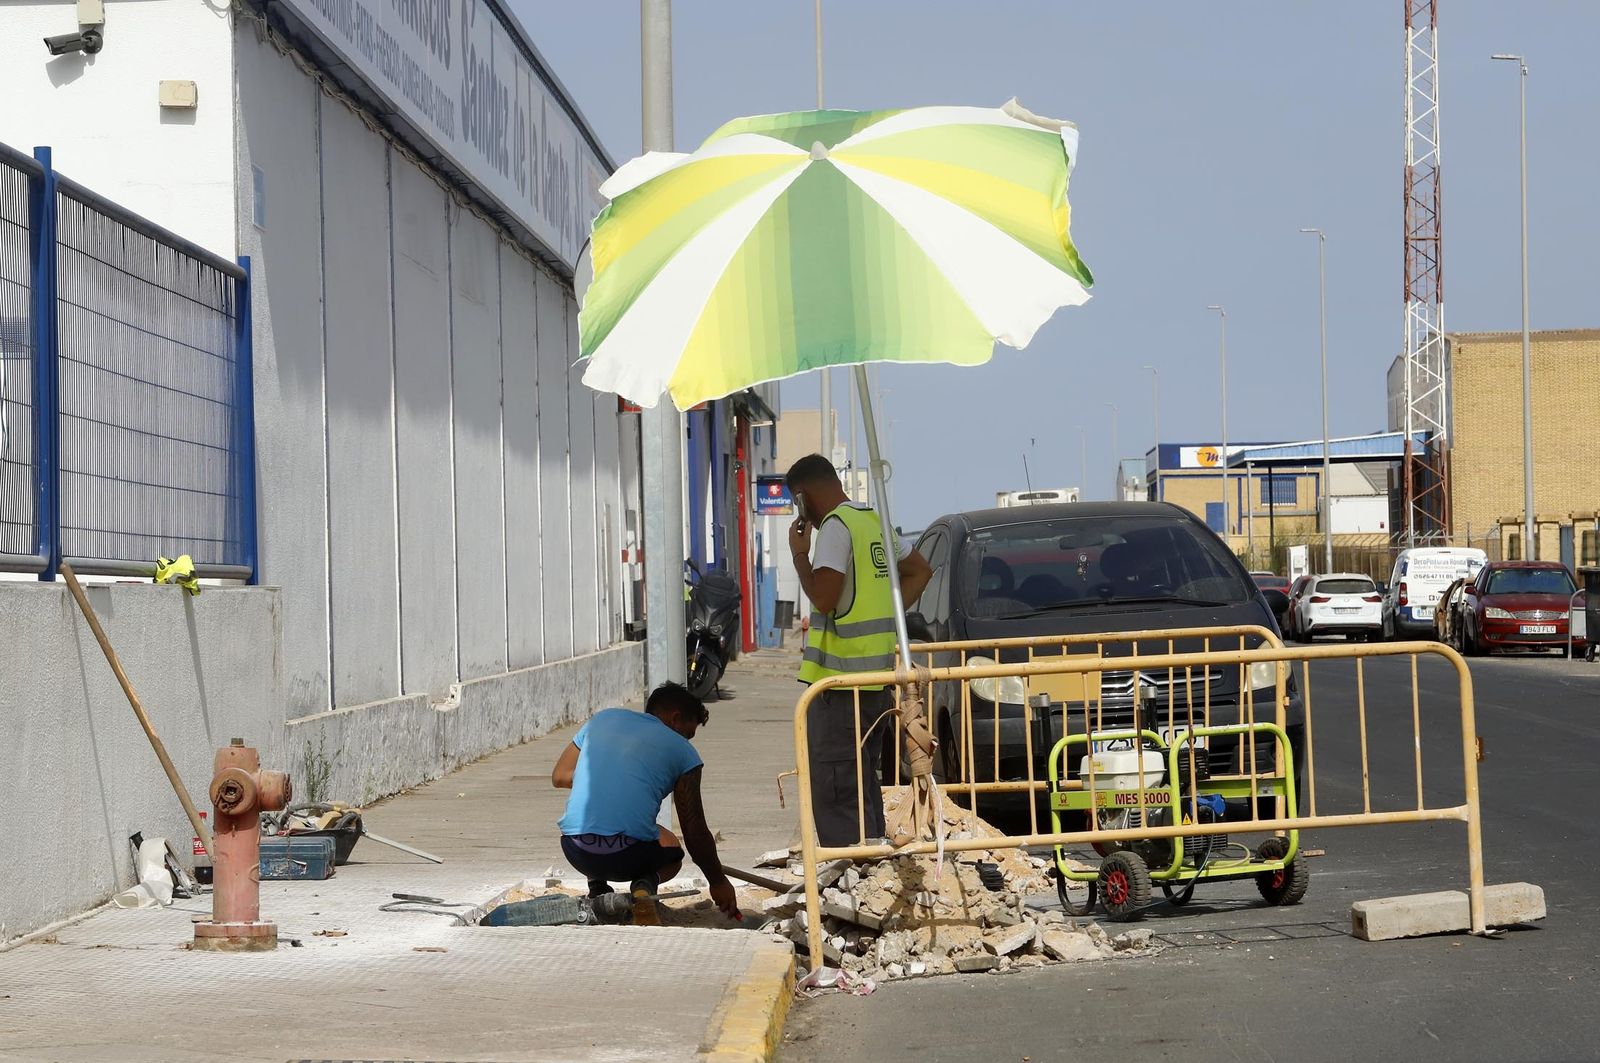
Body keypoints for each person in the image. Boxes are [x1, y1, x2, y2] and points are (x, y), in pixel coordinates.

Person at [785, 453, 932, 847]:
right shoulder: (872, 520)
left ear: (802, 498)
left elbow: (824, 598)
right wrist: (890, 611)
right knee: (863, 779)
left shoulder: (834, 527)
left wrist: (800, 554)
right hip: (875, 683)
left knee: (836, 786)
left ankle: (850, 867)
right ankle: (871, 857)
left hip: (838, 688)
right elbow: (920, 570)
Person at [552, 683, 739, 919]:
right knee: (671, 848)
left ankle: (598, 890)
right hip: (628, 856)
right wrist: (718, 881)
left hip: (575, 851)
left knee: (596, 816)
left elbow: (559, 776)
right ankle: (644, 886)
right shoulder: (684, 753)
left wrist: (603, 777)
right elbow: (694, 832)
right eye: (688, 734)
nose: (687, 741)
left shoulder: (602, 719)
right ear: (675, 718)